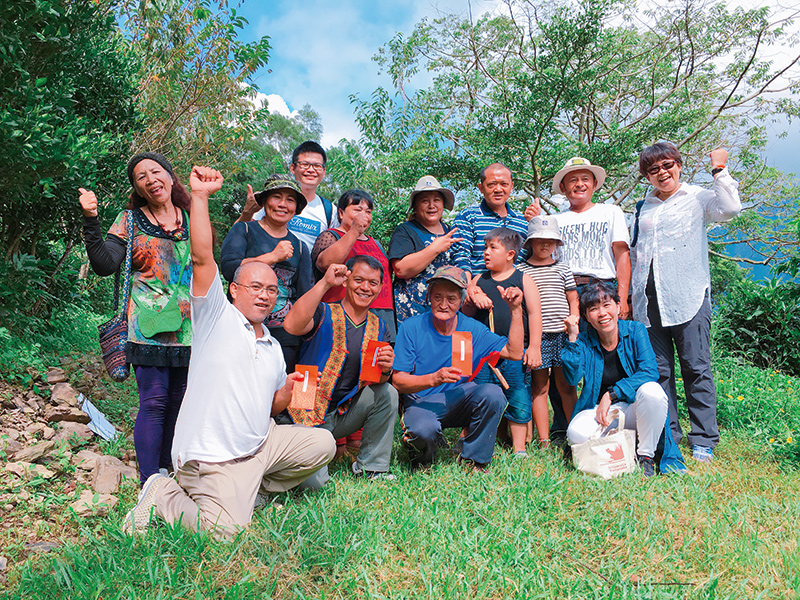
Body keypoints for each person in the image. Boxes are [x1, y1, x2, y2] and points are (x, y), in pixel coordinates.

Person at [122, 165, 335, 540]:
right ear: (234, 290)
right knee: (224, 535)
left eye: (270, 290)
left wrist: (284, 395)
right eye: (254, 286)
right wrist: (200, 197)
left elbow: (266, 407)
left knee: (322, 443)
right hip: (210, 458)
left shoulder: (272, 347)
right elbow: (203, 258)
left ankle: (249, 492)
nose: (264, 294)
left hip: (257, 450)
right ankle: (162, 491)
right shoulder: (216, 317)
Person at [79, 152, 194, 485]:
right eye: (141, 176)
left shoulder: (190, 218)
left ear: (171, 177)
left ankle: (167, 470)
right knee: (155, 400)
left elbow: (204, 267)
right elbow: (104, 264)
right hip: (146, 326)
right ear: (138, 188)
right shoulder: (129, 220)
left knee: (179, 401)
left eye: (156, 171)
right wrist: (91, 218)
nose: (150, 179)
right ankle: (149, 482)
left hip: (187, 328)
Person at [632, 143, 741, 462]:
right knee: (659, 371)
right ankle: (669, 434)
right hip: (648, 301)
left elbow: (731, 209)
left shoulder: (698, 197)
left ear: (679, 165)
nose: (662, 173)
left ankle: (704, 438)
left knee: (696, 367)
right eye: (653, 170)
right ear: (647, 176)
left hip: (689, 294)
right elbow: (637, 251)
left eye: (667, 165)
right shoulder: (643, 207)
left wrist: (719, 169)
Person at [392, 266, 525, 471]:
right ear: (428, 297)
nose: (443, 304)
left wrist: (515, 310)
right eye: (437, 297)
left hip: (458, 399)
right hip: (421, 402)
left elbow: (514, 352)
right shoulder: (411, 327)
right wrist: (434, 378)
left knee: (493, 393)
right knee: (422, 430)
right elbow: (398, 381)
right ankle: (423, 457)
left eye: (451, 298)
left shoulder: (472, 328)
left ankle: (475, 460)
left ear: (462, 301)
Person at [283, 257, 399, 484]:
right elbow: (291, 325)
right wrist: (325, 283)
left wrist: (386, 369)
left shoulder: (379, 326)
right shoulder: (323, 312)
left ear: (380, 288)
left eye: (373, 283)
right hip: (304, 409)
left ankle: (372, 467)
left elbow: (378, 379)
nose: (365, 288)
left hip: (343, 413)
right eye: (359, 280)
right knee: (314, 485)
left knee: (388, 392)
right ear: (345, 281)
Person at [562, 282, 685, 477]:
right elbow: (572, 377)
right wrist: (572, 337)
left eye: (607, 305)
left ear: (618, 307)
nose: (602, 313)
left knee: (652, 392)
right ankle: (624, 447)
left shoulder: (636, 330)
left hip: (634, 409)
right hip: (601, 414)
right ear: (586, 316)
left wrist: (611, 394)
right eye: (593, 309)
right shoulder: (584, 340)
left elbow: (649, 371)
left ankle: (645, 458)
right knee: (576, 433)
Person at [220, 175, 314, 369]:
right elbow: (230, 269)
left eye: (290, 200)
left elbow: (304, 295)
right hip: (240, 329)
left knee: (277, 393)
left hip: (283, 337)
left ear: (296, 208)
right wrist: (272, 256)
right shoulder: (244, 230)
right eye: (276, 197)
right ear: (264, 202)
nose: (282, 205)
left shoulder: (301, 248)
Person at [464, 228, 542, 456]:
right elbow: (466, 316)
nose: (486, 252)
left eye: (492, 248)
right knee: (480, 394)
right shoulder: (479, 280)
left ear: (510, 254)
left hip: (516, 353)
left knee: (518, 394)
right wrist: (471, 297)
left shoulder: (523, 279)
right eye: (485, 247)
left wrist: (534, 347)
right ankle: (483, 439)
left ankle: (519, 448)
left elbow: (535, 314)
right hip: (484, 355)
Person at [518, 216, 579, 448]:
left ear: (557, 244)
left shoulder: (563, 268)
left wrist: (574, 319)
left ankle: (575, 434)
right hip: (538, 337)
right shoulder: (522, 270)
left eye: (550, 241)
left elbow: (573, 298)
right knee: (540, 387)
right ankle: (544, 440)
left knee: (567, 386)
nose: (545, 245)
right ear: (530, 243)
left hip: (563, 334)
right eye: (539, 240)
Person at [550, 157, 631, 318]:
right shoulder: (554, 220)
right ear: (563, 187)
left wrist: (622, 299)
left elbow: (622, 255)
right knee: (571, 340)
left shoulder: (611, 212)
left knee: (604, 341)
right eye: (573, 180)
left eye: (585, 179)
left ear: (594, 184)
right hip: (564, 291)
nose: (580, 184)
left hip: (601, 288)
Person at [312, 189, 395, 342]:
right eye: (357, 209)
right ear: (341, 213)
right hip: (341, 314)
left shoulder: (376, 243)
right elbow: (325, 263)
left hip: (380, 315)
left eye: (368, 211)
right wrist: (354, 231)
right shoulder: (331, 236)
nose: (364, 215)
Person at [238, 141, 337, 252]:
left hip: (306, 268)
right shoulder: (271, 201)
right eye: (305, 164)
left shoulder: (331, 211)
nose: (311, 170)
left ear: (324, 172)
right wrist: (247, 212)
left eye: (317, 166)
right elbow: (235, 239)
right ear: (292, 168)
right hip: (264, 265)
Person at [389, 175, 463, 323]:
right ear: (415, 207)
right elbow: (401, 269)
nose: (431, 205)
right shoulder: (405, 231)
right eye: (424, 201)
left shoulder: (452, 231)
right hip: (412, 311)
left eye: (436, 200)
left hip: (446, 310)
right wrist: (434, 248)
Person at [453, 164, 531, 290]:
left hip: (516, 292)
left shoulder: (523, 222)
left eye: (504, 184)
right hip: (477, 292)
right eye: (491, 184)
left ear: (511, 186)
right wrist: (470, 289)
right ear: (481, 188)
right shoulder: (468, 217)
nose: (498, 189)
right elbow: (460, 256)